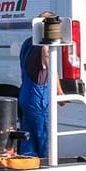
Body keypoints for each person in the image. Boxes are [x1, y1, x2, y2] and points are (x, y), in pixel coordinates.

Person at [16, 13, 56, 160]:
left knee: (29, 136)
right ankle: (46, 167)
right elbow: (47, 62)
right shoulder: (42, 47)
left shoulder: (27, 43)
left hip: (25, 93)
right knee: (42, 138)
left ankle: (26, 163)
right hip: (38, 98)